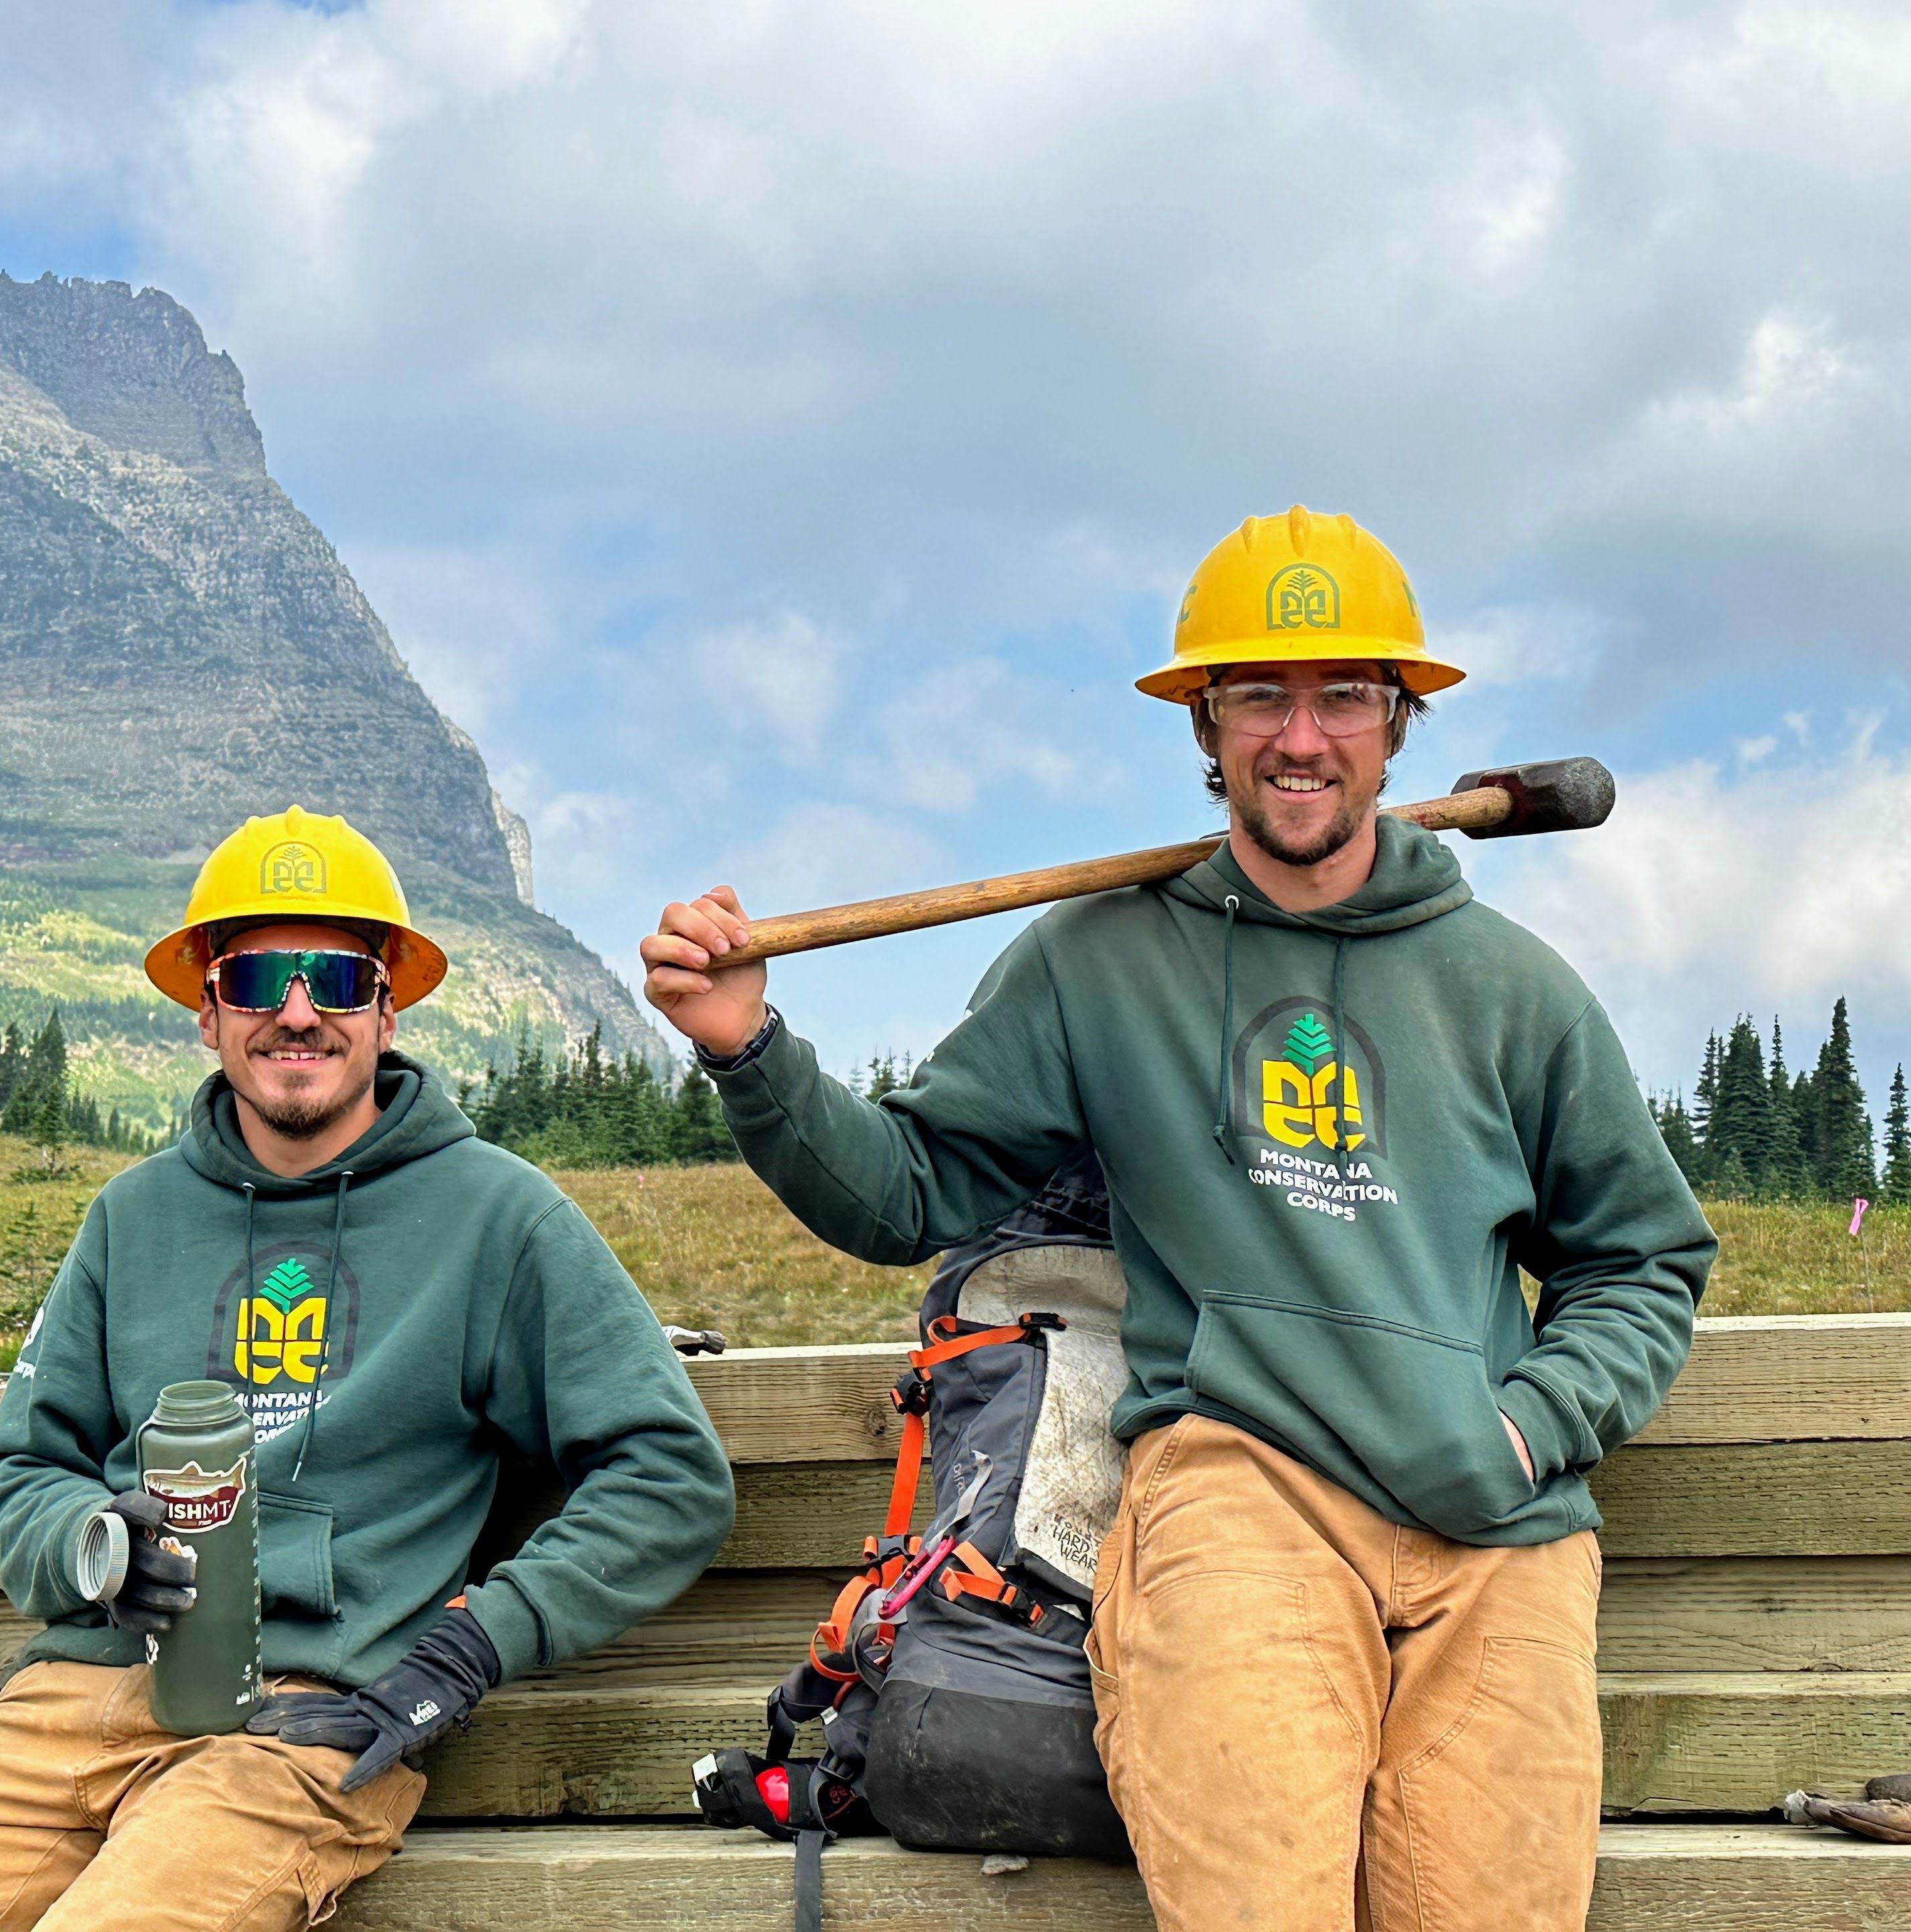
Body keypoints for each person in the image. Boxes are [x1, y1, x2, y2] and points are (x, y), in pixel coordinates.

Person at [641, 508, 1715, 1932]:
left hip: (1494, 1541)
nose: (1301, 736)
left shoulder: (1515, 992)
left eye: (1343, 696)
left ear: (1398, 726)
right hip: (1241, 1499)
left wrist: (1525, 1426)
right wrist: (746, 1049)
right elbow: (908, 1192)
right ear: (1203, 724)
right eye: (1259, 694)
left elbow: (1640, 1264)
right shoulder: (1099, 965)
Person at [0, 806, 736, 1932]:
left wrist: (470, 1643)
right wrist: (96, 1546)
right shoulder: (131, 1216)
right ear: (208, 1009)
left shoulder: (498, 1216)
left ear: (389, 1006)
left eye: (335, 976)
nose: (299, 1009)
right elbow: (26, 1465)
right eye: (257, 977)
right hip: (73, 1695)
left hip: (310, 1717)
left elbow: (668, 1471)